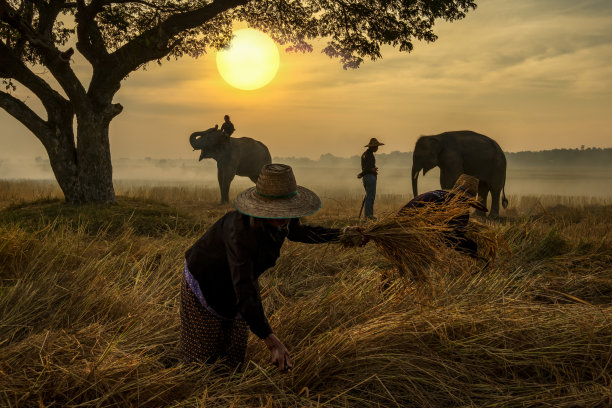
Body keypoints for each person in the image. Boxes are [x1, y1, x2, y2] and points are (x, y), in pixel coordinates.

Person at [181, 163, 365, 372]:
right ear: (260, 206)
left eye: (287, 210)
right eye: (276, 211)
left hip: (239, 283)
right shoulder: (240, 231)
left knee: (232, 358)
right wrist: (271, 340)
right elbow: (244, 287)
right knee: (201, 359)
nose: (283, 217)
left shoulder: (285, 217)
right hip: (205, 280)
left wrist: (342, 235)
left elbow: (299, 232)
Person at [398, 174, 488, 258]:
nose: (467, 207)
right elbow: (450, 237)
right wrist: (471, 248)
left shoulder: (438, 195)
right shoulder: (457, 209)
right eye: (468, 203)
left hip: (399, 225)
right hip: (410, 233)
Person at [359, 138, 384, 220]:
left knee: (369, 196)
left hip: (366, 177)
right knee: (370, 197)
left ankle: (368, 215)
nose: (377, 148)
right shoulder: (370, 155)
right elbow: (367, 168)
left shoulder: (364, 154)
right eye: (376, 146)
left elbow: (365, 167)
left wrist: (367, 171)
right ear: (373, 147)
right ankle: (369, 215)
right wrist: (372, 170)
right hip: (370, 177)